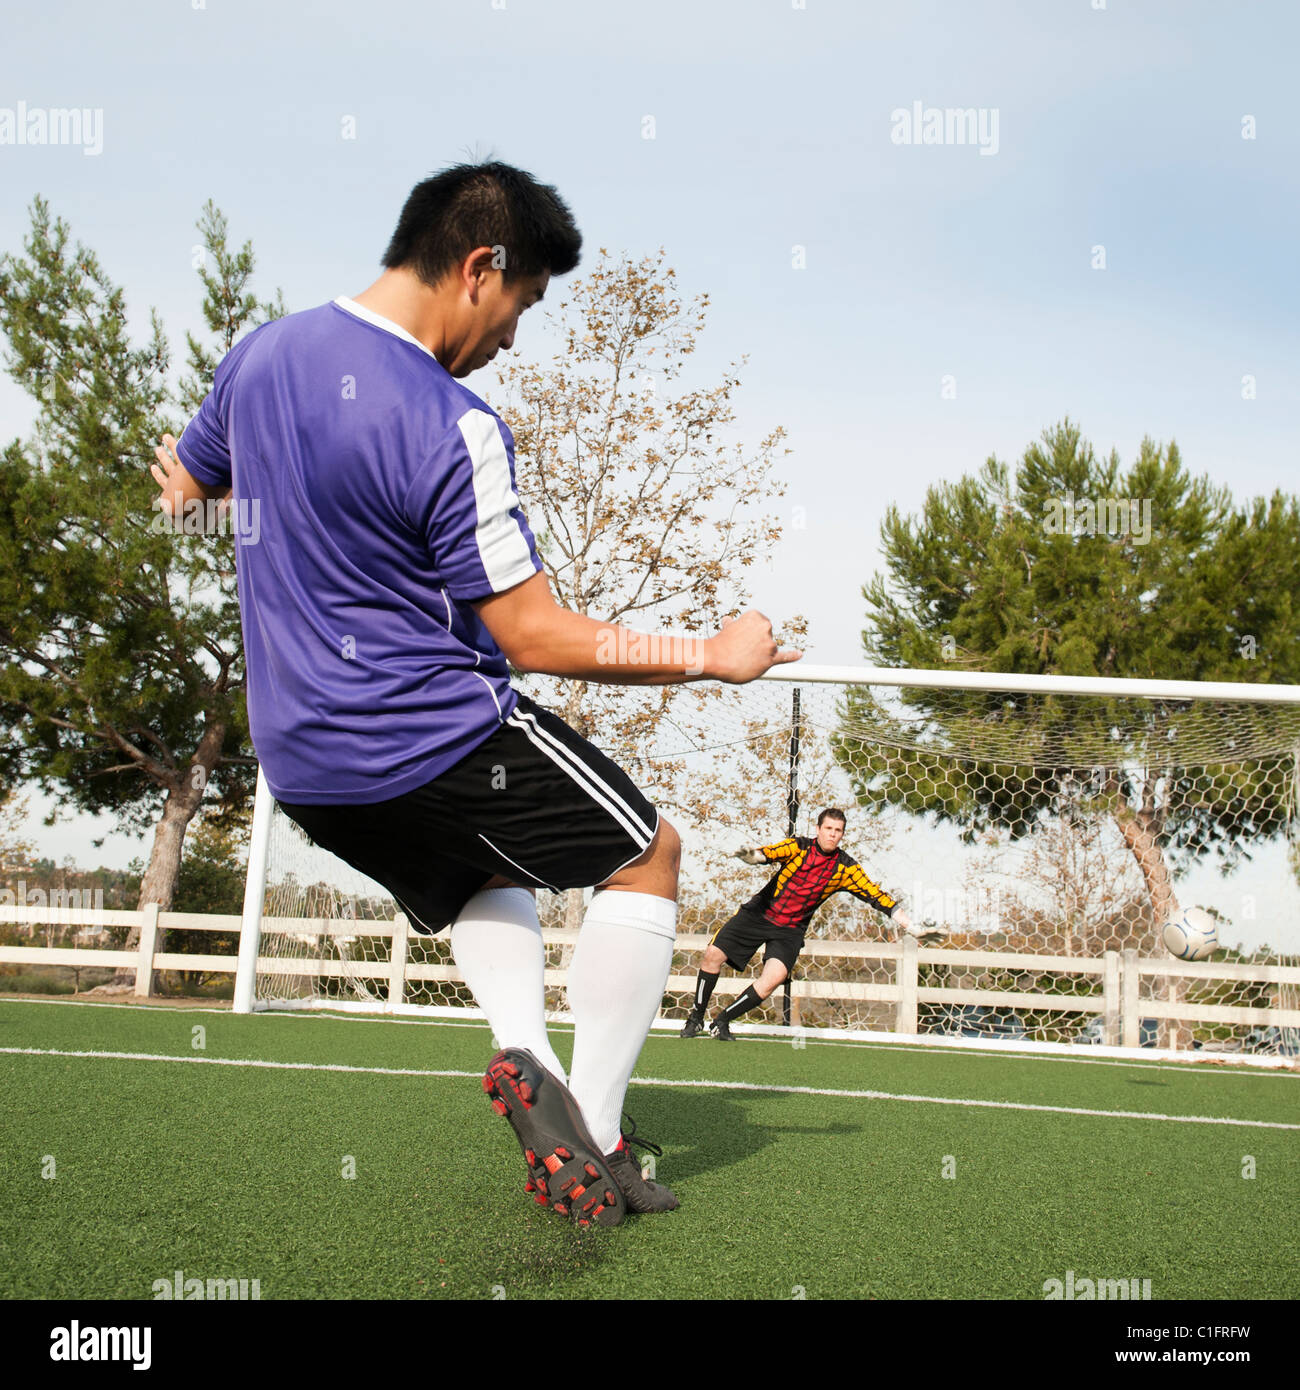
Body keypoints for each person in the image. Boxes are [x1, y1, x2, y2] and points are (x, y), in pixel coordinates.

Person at [150, 161, 799, 1226]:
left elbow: (195, 490)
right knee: (649, 855)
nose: (511, 338)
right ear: (479, 268)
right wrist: (711, 652)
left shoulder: (260, 356)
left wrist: (186, 495)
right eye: (523, 305)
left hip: (306, 765)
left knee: (480, 873)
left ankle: (525, 1058)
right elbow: (532, 636)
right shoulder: (450, 421)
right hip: (435, 733)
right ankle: (593, 1127)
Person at [681, 808, 925, 1039]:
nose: (832, 834)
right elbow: (770, 852)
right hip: (759, 913)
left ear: (842, 834)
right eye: (828, 828)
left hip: (790, 929)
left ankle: (722, 1020)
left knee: (773, 978)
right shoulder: (798, 847)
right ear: (818, 829)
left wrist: (912, 927)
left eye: (838, 830)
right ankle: (696, 1018)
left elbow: (877, 896)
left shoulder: (846, 867)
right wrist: (753, 856)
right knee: (712, 955)